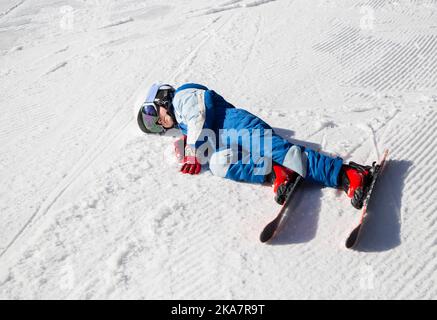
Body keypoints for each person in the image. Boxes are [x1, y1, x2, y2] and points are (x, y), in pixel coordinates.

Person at [137, 82, 374, 209]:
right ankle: (279, 172)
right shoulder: (187, 129)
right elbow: (199, 136)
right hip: (226, 142)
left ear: (160, 97)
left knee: (281, 152)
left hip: (237, 126)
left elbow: (199, 115)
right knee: (220, 164)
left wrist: (191, 150)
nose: (158, 123)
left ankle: (349, 174)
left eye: (151, 114)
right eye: (153, 126)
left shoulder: (182, 96)